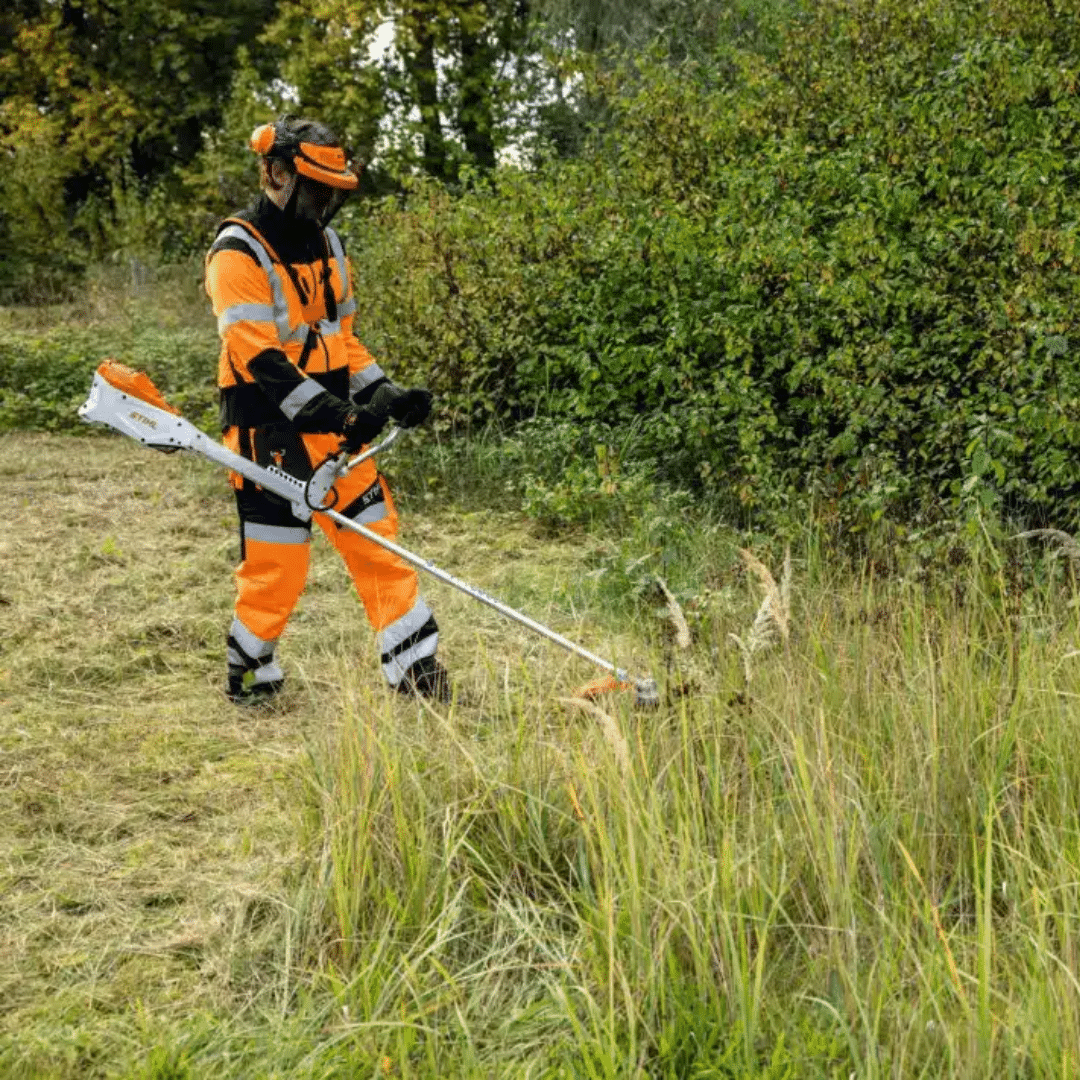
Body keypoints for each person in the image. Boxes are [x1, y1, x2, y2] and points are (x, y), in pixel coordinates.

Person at [204, 115, 450, 705]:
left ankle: (416, 672)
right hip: (268, 434)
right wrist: (338, 415)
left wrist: (382, 394)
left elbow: (341, 340)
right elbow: (261, 361)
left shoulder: (330, 246)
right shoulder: (236, 253)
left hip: (336, 429)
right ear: (275, 174)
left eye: (331, 192)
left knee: (380, 544)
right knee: (276, 569)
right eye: (315, 190)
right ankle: (249, 676)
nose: (324, 204)